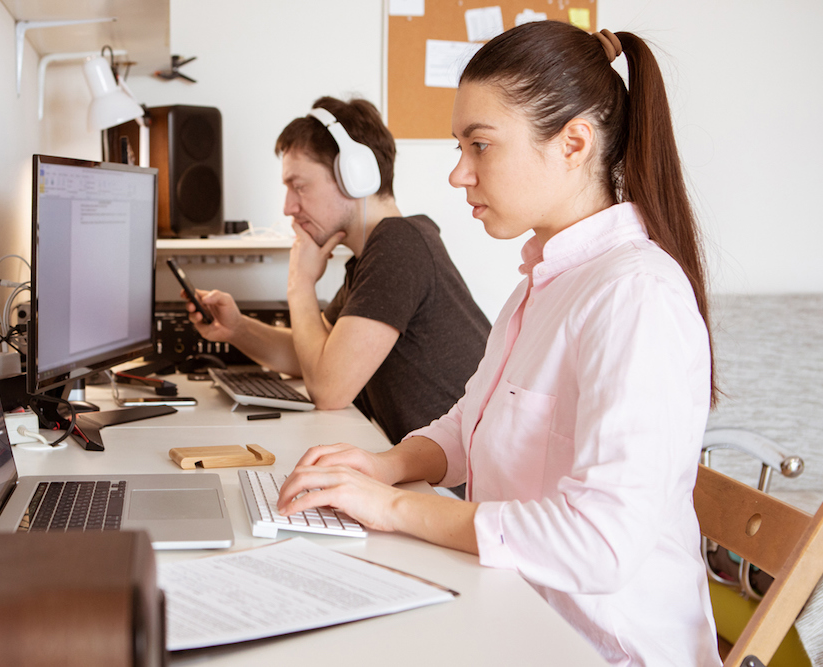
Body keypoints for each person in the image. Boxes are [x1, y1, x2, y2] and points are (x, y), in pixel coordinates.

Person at [276, 22, 722, 667]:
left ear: (573, 143)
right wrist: (386, 465)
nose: (460, 174)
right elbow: (471, 426)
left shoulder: (635, 296)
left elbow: (598, 542)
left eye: (479, 145)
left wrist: (394, 508)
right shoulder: (541, 285)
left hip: (600, 647)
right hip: (515, 611)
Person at [186, 97, 491, 447]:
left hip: (459, 491)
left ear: (354, 176)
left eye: (299, 186)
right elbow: (312, 357)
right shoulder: (375, 254)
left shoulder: (399, 245)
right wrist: (237, 329)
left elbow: (328, 389)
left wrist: (300, 284)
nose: (288, 207)